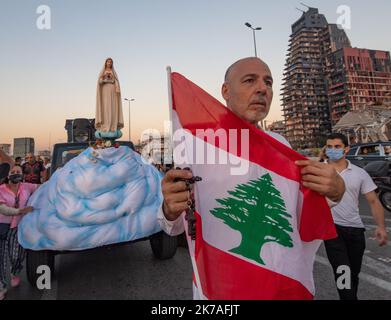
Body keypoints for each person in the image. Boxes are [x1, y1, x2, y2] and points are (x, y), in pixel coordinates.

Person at [158, 57, 346, 297]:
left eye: (268, 82)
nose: (262, 88)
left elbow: (305, 205)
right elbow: (172, 226)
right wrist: (169, 209)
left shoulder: (281, 146)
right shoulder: (197, 147)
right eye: (250, 80)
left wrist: (336, 189)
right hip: (220, 291)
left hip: (278, 286)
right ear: (226, 91)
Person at [323, 133, 388, 300]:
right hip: (332, 231)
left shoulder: (359, 173)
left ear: (346, 149)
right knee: (342, 272)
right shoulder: (319, 171)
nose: (332, 150)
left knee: (353, 274)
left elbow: (373, 201)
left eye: (337, 147)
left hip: (355, 230)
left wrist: (381, 227)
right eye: (329, 147)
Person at [0, 165, 38, 300]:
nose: (16, 174)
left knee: (17, 255)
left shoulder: (27, 187)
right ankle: (1, 287)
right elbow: (3, 209)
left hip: (18, 227)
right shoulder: (1, 189)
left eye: (18, 172)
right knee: (1, 259)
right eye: (13, 172)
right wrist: (20, 211)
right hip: (2, 227)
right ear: (8, 175)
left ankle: (15, 272)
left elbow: (43, 188)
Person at [95, 57, 124, 133]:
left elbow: (116, 81)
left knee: (113, 108)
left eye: (111, 62)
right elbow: (99, 82)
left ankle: (112, 125)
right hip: (105, 90)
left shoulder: (114, 72)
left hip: (112, 90)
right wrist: (104, 79)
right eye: (108, 62)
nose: (109, 63)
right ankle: (105, 125)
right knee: (105, 107)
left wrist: (112, 79)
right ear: (106, 63)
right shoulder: (103, 71)